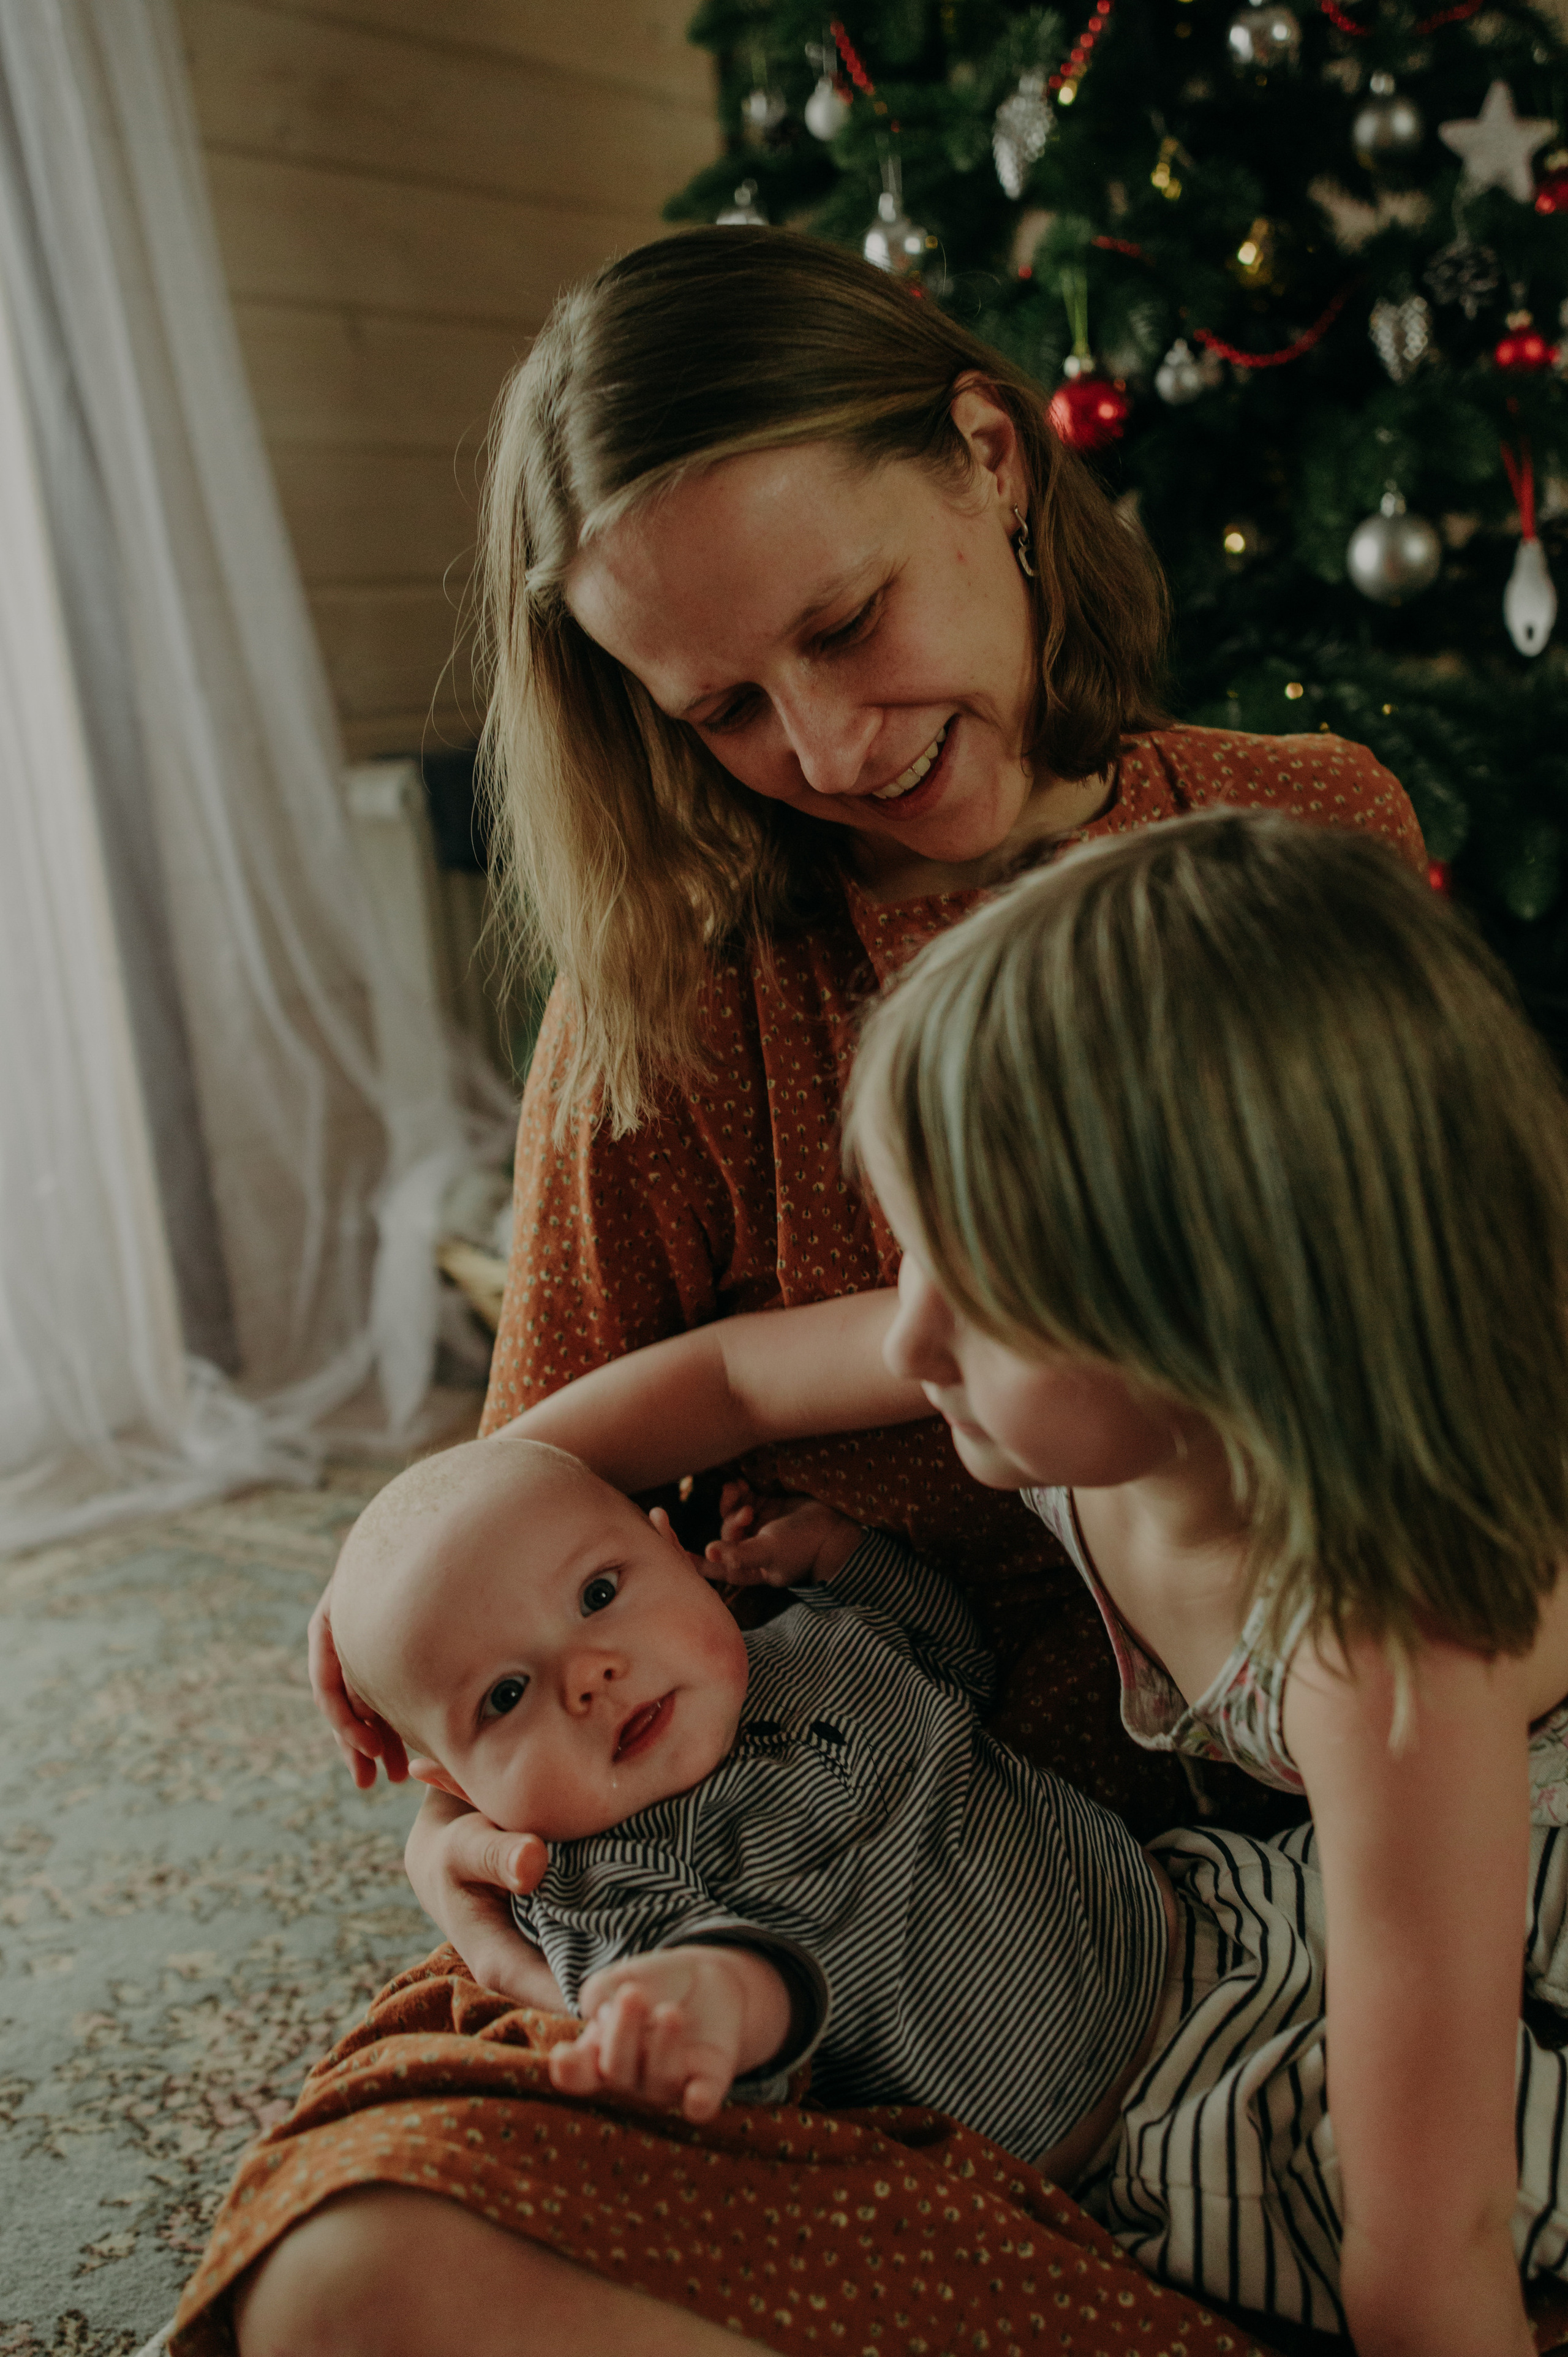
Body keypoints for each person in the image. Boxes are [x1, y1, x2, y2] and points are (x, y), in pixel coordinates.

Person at [222, 225, 1427, 2357]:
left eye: (847, 623)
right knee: (355, 2279)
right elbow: (537, 1537)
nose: (833, 740)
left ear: (987, 455)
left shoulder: (1296, 837)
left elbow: (1458, 1358)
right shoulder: (671, 1014)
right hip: (781, 1907)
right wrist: (468, 1820)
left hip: (1296, 1884)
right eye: (726, 709)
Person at [473, 810, 1568, 2357]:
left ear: (1203, 1331)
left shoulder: (1380, 1658)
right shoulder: (1073, 1416)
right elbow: (724, 1375)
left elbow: (1426, 2225)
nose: (903, 1345)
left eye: (969, 1299)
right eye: (909, 1258)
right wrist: (449, 1509)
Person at [325, 1435, 1172, 2176]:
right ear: (455, 1790)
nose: (589, 1674)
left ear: (673, 1552)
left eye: (598, 1595)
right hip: (1101, 2150)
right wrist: (704, 2002)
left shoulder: (818, 1637)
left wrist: (842, 1556)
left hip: (1193, 1922)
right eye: (506, 1695)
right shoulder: (590, 1879)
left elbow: (959, 1662)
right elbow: (725, 2008)